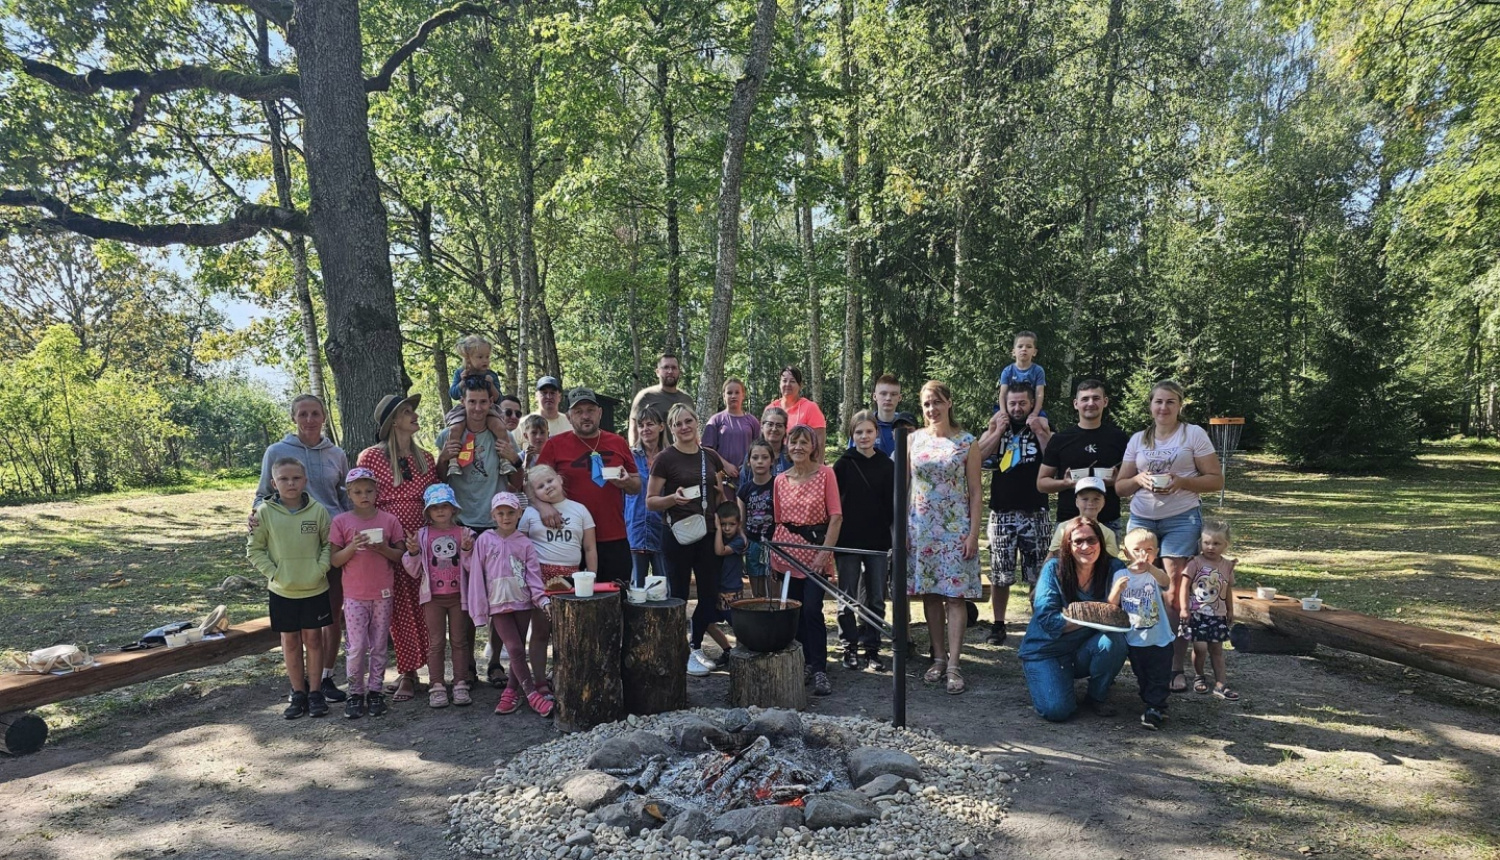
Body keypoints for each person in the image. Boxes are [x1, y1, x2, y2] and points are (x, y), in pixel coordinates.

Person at [1114, 379, 1223, 692]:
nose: (1163, 408)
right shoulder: (1138, 439)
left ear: (1180, 405)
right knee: (1139, 586)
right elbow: (1120, 488)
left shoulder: (1193, 435)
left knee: (1174, 593)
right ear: (1150, 405)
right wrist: (1137, 477)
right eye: (1158, 402)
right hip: (1142, 519)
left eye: (1170, 402)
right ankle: (1140, 656)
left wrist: (1182, 482)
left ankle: (1173, 666)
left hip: (1181, 519)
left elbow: (1216, 479)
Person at [252, 393, 349, 704]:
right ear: (294, 417)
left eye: (315, 413)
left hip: (330, 542)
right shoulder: (277, 451)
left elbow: (345, 497)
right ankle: (300, 687)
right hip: (291, 548)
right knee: (295, 629)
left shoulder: (336, 453)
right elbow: (262, 495)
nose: (309, 419)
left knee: (332, 614)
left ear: (323, 417)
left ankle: (326, 677)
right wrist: (254, 518)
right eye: (303, 414)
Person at [357, 393, 438, 704]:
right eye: (407, 412)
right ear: (394, 422)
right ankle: (407, 672)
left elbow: (433, 500)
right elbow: (365, 500)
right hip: (388, 541)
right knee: (398, 608)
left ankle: (435, 671)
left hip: (423, 541)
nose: (414, 415)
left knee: (426, 605)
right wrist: (387, 538)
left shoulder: (426, 458)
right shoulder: (371, 458)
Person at [907, 381, 983, 696]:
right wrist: (902, 530)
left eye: (937, 402)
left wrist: (974, 533)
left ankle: (954, 664)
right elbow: (906, 488)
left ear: (949, 403)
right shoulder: (912, 439)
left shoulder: (967, 442)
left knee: (955, 597)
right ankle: (937, 658)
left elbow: (977, 492)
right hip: (922, 527)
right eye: (926, 403)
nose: (932, 409)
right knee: (930, 595)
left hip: (956, 529)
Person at [646, 403, 733, 676]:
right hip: (676, 535)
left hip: (708, 534)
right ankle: (677, 650)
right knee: (679, 596)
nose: (684, 427)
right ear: (671, 429)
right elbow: (650, 501)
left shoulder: (709, 456)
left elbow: (721, 492)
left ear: (697, 423)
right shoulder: (665, 458)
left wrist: (721, 494)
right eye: (678, 423)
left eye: (688, 421)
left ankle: (694, 646)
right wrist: (673, 498)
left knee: (708, 596)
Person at [1017, 516, 1130, 721]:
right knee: (1057, 711)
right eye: (1078, 541)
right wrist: (1101, 613)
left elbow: (1132, 605)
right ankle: (1052, 679)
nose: (1086, 546)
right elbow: (1048, 620)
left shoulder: (1113, 567)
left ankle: (1096, 696)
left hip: (1084, 648)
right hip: (1046, 650)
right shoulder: (1054, 568)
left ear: (1100, 542)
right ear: (1068, 544)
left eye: (1091, 540)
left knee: (1114, 642)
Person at [247, 457, 333, 719]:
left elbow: (329, 544)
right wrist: (276, 574)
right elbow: (254, 549)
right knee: (291, 642)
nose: (291, 483)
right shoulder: (264, 513)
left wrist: (319, 569)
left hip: (315, 588)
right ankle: (298, 693)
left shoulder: (318, 511)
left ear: (305, 481)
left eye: (296, 478)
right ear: (274, 483)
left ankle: (316, 692)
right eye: (284, 479)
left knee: (314, 640)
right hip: (282, 591)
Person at [533, 387, 640, 583]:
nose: (585, 416)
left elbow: (636, 485)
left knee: (617, 599)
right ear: (569, 416)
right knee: (571, 605)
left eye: (590, 410)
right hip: (569, 539)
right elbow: (531, 484)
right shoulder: (555, 445)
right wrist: (543, 507)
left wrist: (626, 482)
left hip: (612, 536)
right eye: (578, 412)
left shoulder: (617, 442)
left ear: (600, 413)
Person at [976, 382, 1053, 646]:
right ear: (1005, 405)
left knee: (1038, 571)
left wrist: (1040, 431)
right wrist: (997, 430)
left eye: (1022, 403)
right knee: (1000, 573)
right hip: (1002, 510)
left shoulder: (1041, 425)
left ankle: (1038, 623)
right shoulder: (997, 425)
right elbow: (977, 458)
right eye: (1012, 403)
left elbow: (1057, 457)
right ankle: (998, 624)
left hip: (1036, 510)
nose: (1017, 408)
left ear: (1032, 403)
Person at [466, 492, 554, 717]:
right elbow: (476, 575)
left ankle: (511, 691)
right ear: (493, 515)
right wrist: (479, 611)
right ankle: (533, 695)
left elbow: (534, 577)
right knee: (514, 648)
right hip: (498, 606)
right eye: (501, 513)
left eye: (511, 513)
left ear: (519, 514)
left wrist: (542, 600)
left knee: (517, 651)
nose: (506, 517)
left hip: (523, 604)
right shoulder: (484, 540)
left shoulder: (525, 543)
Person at [328, 467, 405, 719]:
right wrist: (353, 546)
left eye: (369, 490)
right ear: (349, 493)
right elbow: (335, 560)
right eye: (358, 491)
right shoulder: (341, 522)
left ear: (377, 492)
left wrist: (382, 548)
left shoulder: (389, 520)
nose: (364, 495)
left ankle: (375, 691)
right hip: (354, 596)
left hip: (383, 594)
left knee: (379, 644)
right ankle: (355, 693)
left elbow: (400, 556)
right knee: (357, 646)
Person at [772, 424, 843, 696]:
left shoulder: (826, 474)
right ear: (787, 446)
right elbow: (779, 520)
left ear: (813, 446)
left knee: (813, 610)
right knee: (795, 611)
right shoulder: (780, 480)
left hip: (815, 553)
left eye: (804, 442)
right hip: (787, 556)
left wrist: (825, 553)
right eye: (793, 442)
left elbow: (835, 516)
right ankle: (803, 664)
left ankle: (820, 668)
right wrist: (776, 556)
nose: (798, 446)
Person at [401, 484, 475, 709]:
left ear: (454, 509)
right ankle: (437, 684)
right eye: (435, 507)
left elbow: (473, 567)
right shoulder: (422, 535)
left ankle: (461, 682)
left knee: (460, 641)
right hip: (432, 598)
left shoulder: (466, 533)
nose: (440, 511)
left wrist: (466, 550)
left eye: (445, 506)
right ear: (428, 512)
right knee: (436, 643)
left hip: (458, 596)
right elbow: (412, 569)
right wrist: (413, 552)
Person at [832, 410, 894, 672]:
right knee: (847, 596)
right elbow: (834, 503)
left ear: (876, 434)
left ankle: (872, 648)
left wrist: (892, 536)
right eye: (859, 432)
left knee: (877, 597)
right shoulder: (843, 464)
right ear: (852, 435)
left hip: (878, 540)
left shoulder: (887, 465)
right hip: (848, 540)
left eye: (869, 431)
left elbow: (892, 504)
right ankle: (849, 647)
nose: (864, 436)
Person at [1037, 380, 1130, 538]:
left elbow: (1131, 483)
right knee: (1065, 564)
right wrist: (1065, 483)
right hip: (1068, 520)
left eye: (1096, 398)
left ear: (1105, 402)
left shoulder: (1119, 439)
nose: (1090, 403)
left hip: (1108, 521)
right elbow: (1041, 483)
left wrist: (1115, 481)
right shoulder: (1060, 439)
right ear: (1076, 404)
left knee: (1107, 564)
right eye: (1085, 399)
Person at [1108, 528, 1174, 730]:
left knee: (1160, 673)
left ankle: (1155, 707)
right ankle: (1151, 701)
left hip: (1160, 636)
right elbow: (1111, 604)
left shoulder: (1154, 574)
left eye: (1149, 549)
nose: (1142, 554)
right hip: (1135, 638)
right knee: (1142, 673)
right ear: (1126, 553)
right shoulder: (1121, 574)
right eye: (1136, 550)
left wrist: (1151, 567)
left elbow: (1166, 582)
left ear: (1156, 552)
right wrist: (1118, 590)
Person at [436, 380, 523, 531]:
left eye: (483, 402)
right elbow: (440, 480)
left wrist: (515, 460)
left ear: (490, 402)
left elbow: (517, 483)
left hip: (495, 521)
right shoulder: (448, 436)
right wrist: (443, 459)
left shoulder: (504, 436)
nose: (477, 408)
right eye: (472, 402)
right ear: (463, 402)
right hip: (458, 521)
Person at [1181, 518, 1239, 701]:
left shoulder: (1227, 566)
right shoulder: (1195, 563)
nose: (1210, 547)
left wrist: (1230, 609)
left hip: (1218, 614)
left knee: (1217, 649)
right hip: (1197, 614)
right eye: (1206, 542)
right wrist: (1184, 608)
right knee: (1200, 647)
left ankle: (1221, 683)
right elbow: (1184, 586)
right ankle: (1199, 675)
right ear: (1200, 542)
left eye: (1216, 543)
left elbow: (1227, 589)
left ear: (1225, 545)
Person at [441, 335, 514, 479]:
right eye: (480, 357)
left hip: (489, 408)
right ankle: (453, 461)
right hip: (465, 409)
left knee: (499, 427)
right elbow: (454, 394)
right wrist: (462, 381)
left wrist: (491, 384)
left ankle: (504, 460)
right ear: (469, 359)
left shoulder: (491, 375)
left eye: (487, 357)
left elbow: (498, 398)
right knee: (455, 429)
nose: (485, 360)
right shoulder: (460, 372)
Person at [519, 464, 599, 581]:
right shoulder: (529, 513)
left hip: (572, 575)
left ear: (560, 479)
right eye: (540, 486)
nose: (547, 486)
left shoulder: (580, 510)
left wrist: (592, 577)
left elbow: (590, 548)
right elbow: (520, 546)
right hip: (537, 574)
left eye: (550, 481)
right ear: (534, 494)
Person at [625, 405, 668, 586]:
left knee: (665, 584)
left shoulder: (669, 456)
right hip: (634, 526)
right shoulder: (629, 456)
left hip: (663, 527)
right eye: (641, 425)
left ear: (661, 426)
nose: (645, 429)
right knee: (636, 586)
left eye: (650, 424)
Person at [703, 501, 748, 670]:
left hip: (731, 591)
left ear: (739, 524)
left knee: (738, 627)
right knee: (706, 622)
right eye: (723, 524)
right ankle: (728, 651)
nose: (727, 528)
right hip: (716, 589)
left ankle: (742, 655)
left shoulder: (738, 541)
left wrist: (717, 530)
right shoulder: (718, 536)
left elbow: (720, 551)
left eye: (731, 524)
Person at [737, 438, 777, 599]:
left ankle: (776, 618)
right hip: (753, 543)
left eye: (764, 457)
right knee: (757, 590)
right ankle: (759, 619)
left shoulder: (778, 485)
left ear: (772, 461)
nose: (760, 461)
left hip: (774, 543)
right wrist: (743, 538)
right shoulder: (744, 490)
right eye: (755, 457)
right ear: (748, 462)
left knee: (774, 587)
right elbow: (741, 521)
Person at [1044, 477, 1121, 560]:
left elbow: (1111, 562)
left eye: (1096, 499)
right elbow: (1052, 556)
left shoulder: (1108, 533)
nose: (1090, 503)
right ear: (1077, 502)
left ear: (1103, 502)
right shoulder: (1063, 527)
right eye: (1085, 499)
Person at [703, 378, 761, 486]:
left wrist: (747, 465)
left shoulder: (752, 421)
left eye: (737, 392)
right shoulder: (715, 420)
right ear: (724, 396)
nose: (733, 396)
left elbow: (760, 448)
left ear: (743, 395)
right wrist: (724, 465)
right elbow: (706, 449)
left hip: (748, 478)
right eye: (729, 393)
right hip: (723, 479)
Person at [629, 352, 696, 445]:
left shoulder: (687, 399)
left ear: (679, 371)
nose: (670, 371)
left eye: (674, 368)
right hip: (653, 455)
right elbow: (634, 427)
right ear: (657, 372)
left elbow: (694, 430)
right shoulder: (645, 396)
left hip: (682, 455)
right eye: (665, 367)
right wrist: (635, 453)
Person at [767, 367, 827, 461]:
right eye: (784, 380)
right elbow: (763, 440)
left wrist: (816, 471)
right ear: (779, 384)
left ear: (800, 385)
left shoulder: (810, 408)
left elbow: (820, 443)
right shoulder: (770, 408)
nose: (788, 384)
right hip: (774, 463)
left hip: (804, 464)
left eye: (792, 381)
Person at [854, 374, 903, 457]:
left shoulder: (905, 425)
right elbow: (851, 458)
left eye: (893, 394)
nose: (888, 398)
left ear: (899, 398)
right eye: (883, 393)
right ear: (874, 396)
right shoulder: (863, 425)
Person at [751, 406, 794, 476]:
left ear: (785, 429)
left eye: (779, 425)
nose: (774, 429)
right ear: (762, 427)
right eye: (770, 424)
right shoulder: (753, 455)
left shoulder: (791, 456)